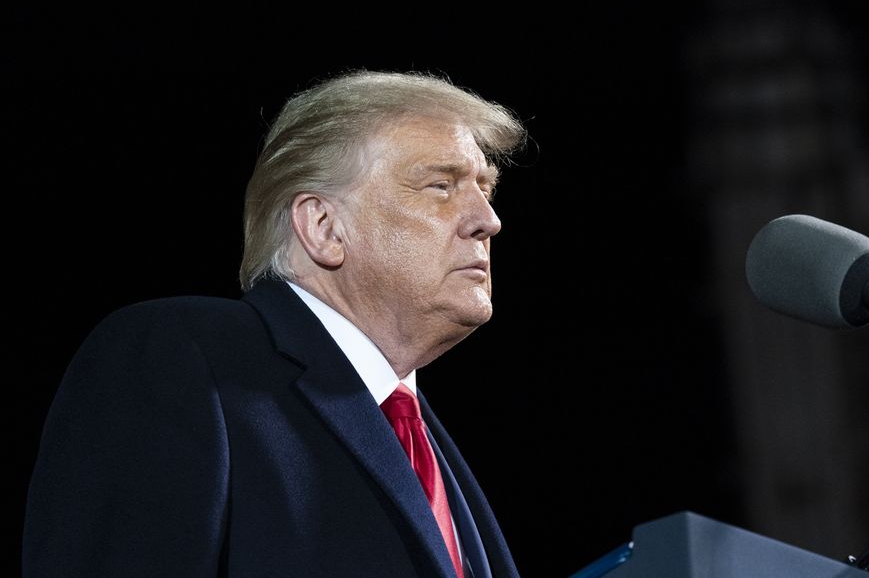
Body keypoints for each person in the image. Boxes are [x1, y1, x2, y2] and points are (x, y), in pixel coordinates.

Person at [23, 69, 527, 578]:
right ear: (323, 227)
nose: (488, 219)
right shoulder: (177, 359)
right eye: (441, 185)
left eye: (486, 189)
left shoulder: (415, 430)